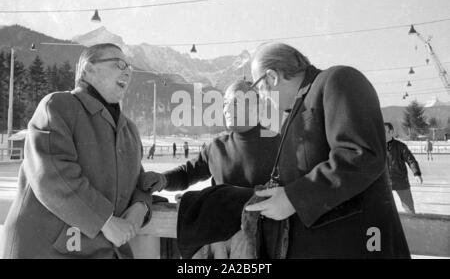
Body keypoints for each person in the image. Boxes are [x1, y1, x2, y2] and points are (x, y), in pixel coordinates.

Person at [245, 42, 410, 258]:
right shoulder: (295, 112)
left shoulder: (339, 80)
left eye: (258, 88)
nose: (262, 97)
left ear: (272, 77)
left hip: (360, 246)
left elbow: (361, 155)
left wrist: (294, 198)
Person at [0, 43, 152, 259]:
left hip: (98, 250)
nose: (127, 71)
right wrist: (106, 221)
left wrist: (141, 205)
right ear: (89, 69)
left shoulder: (129, 130)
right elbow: (52, 174)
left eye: (130, 67)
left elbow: (138, 179)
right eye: (119, 64)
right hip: (45, 249)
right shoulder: (58, 106)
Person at [140, 80, 280, 191]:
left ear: (257, 107)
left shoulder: (280, 145)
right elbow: (187, 174)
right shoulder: (217, 147)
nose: (227, 109)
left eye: (236, 102)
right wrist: (163, 180)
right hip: (222, 225)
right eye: (225, 103)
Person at [385, 122, 423, 214]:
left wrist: (416, 173)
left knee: (409, 209)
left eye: (384, 131)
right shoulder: (377, 147)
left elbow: (411, 161)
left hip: (400, 180)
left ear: (391, 132)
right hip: (383, 182)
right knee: (381, 210)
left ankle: (412, 224)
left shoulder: (400, 146)